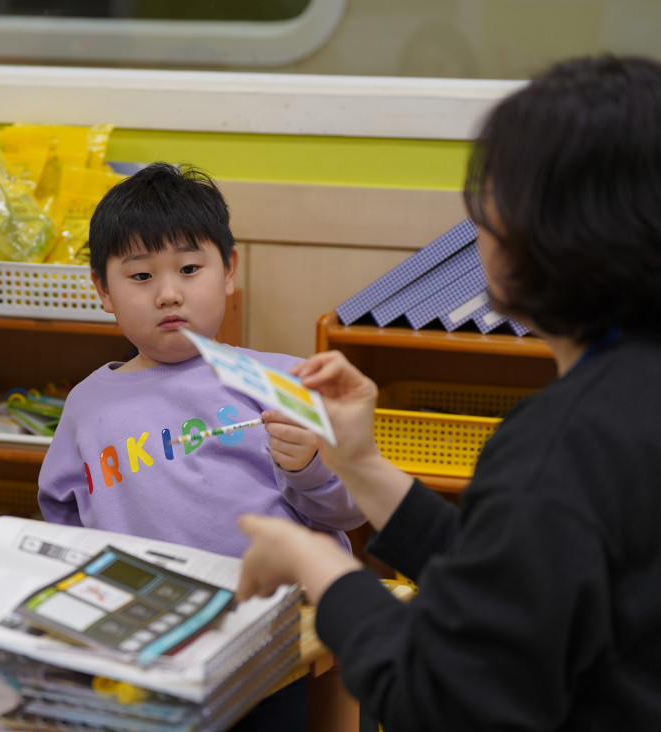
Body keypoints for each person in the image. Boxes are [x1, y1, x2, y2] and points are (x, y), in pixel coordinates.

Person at [236, 55, 661, 731]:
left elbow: (442, 698)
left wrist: (318, 566)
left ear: (550, 232)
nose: (478, 228)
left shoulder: (563, 442)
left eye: (490, 204)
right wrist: (360, 463)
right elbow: (518, 576)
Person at [38, 162, 364, 731]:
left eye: (190, 269)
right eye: (141, 276)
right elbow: (61, 513)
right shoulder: (87, 405)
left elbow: (349, 510)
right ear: (103, 290)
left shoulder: (282, 381)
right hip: (147, 649)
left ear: (229, 270)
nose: (169, 293)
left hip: (274, 641)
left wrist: (311, 466)